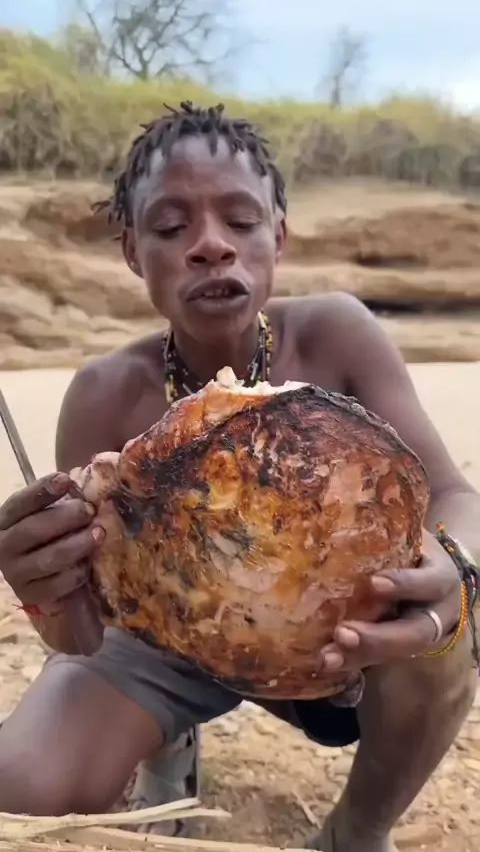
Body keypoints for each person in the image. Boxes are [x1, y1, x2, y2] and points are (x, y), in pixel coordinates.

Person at [0, 101, 478, 852]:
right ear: (132, 251)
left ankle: (358, 831)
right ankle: (166, 744)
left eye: (241, 220)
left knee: (449, 623)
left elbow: (452, 495)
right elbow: (84, 634)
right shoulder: (104, 395)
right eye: (170, 227)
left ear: (278, 235)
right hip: (170, 644)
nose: (210, 245)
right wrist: (43, 588)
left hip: (337, 634)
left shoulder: (337, 334)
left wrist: (455, 567)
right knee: (19, 783)